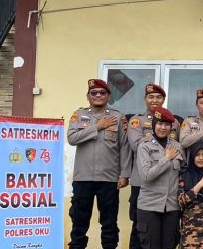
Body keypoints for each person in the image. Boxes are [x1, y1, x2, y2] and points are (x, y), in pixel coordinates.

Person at [68, 79, 131, 249]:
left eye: (102, 93)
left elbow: (124, 147)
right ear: (87, 96)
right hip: (83, 178)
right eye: (94, 93)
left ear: (108, 96)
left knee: (109, 223)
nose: (98, 95)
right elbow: (72, 138)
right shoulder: (78, 115)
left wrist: (125, 174)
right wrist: (97, 126)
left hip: (109, 179)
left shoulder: (118, 117)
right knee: (79, 221)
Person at [127, 83, 167, 249]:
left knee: (163, 225)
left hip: (165, 182)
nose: (154, 100)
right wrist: (158, 138)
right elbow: (136, 145)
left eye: (158, 97)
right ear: (145, 99)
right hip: (141, 181)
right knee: (139, 225)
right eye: (151, 97)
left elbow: (175, 146)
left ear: (163, 99)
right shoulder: (136, 121)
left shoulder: (172, 122)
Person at [136, 107, 183, 249]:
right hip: (150, 206)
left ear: (171, 127)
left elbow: (183, 173)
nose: (163, 128)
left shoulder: (177, 146)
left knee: (170, 245)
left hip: (172, 206)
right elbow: (146, 175)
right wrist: (166, 158)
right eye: (160, 123)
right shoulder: (144, 146)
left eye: (167, 124)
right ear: (154, 124)